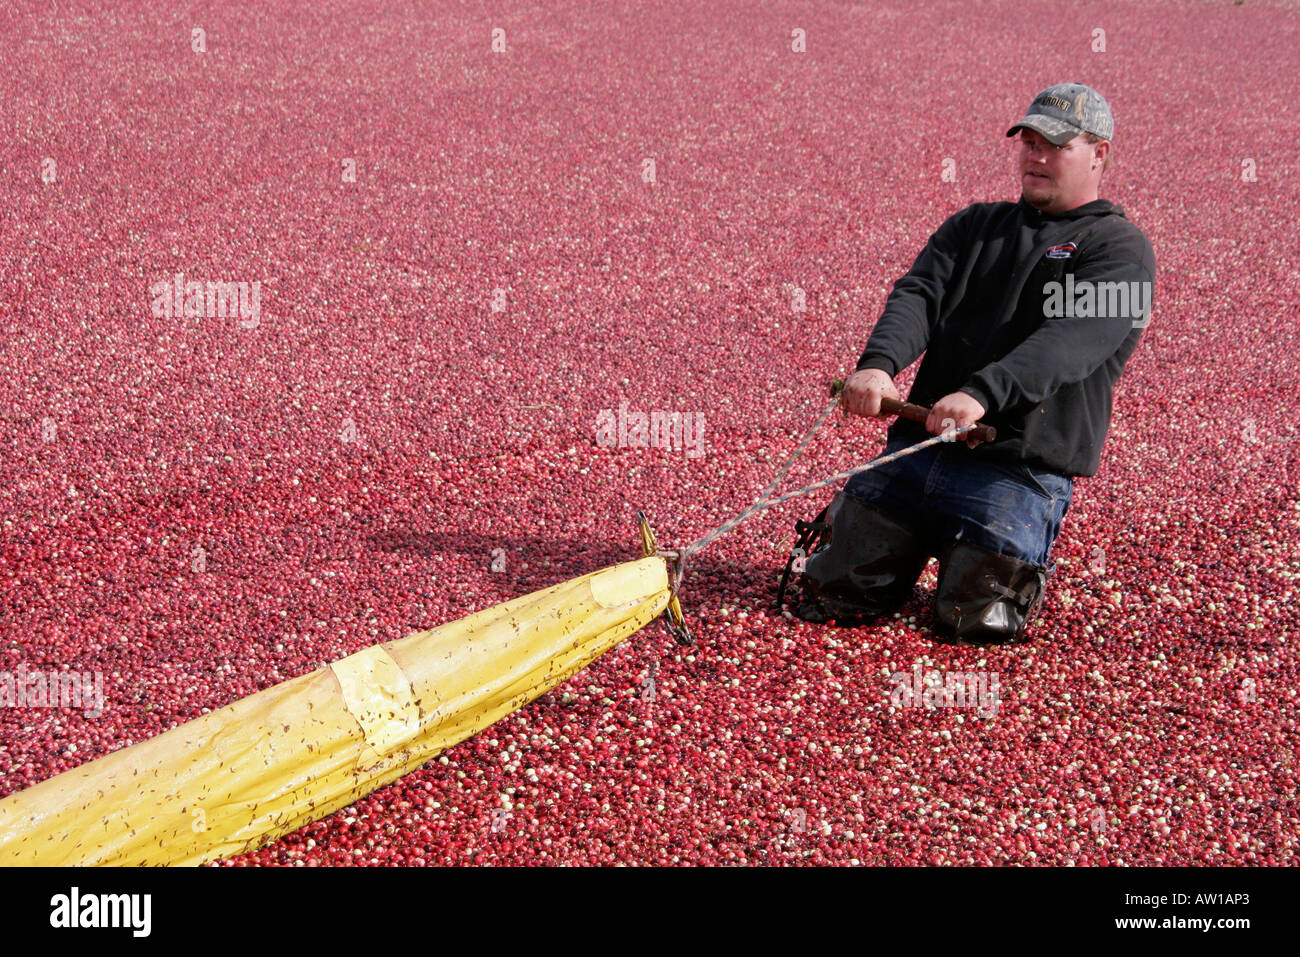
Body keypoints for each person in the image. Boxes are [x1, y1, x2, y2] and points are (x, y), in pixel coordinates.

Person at [791, 83, 1156, 643]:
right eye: (1028, 141)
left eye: (1054, 145)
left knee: (973, 625)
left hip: (1016, 472)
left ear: (1099, 152)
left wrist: (983, 392)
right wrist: (878, 365)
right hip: (918, 451)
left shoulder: (1119, 249)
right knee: (833, 594)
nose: (1035, 156)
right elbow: (919, 295)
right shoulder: (974, 227)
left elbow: (1075, 339)